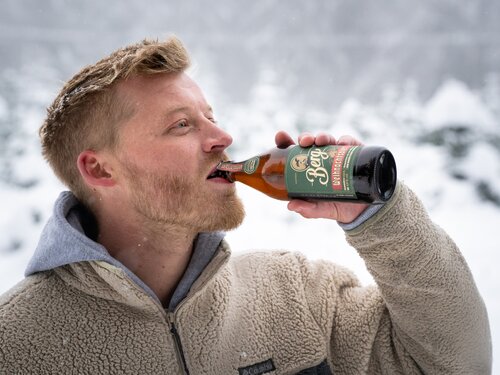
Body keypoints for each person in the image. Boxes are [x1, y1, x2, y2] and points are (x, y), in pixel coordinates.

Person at [0, 37, 491, 375]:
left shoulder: (295, 293)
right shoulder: (16, 344)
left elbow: (453, 364)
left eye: (209, 116)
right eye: (181, 125)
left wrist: (380, 218)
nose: (224, 137)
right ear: (101, 170)